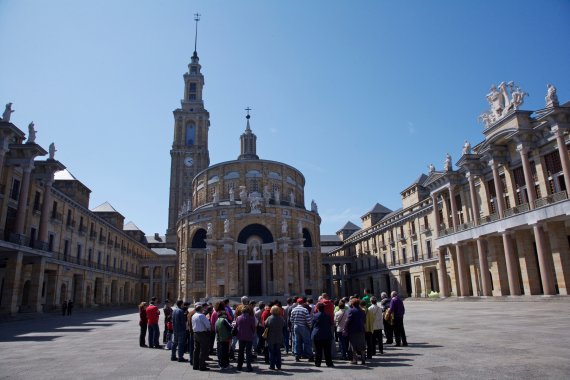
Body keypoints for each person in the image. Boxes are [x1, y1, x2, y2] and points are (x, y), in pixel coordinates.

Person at [344, 298, 366, 365]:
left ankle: (355, 360)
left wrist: (345, 328)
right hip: (361, 329)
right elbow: (364, 320)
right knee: (362, 345)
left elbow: (348, 321)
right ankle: (363, 359)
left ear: (352, 304)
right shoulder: (362, 311)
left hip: (353, 330)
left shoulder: (351, 311)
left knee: (353, 346)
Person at [290, 298, 314, 362]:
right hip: (303, 326)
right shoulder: (304, 310)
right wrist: (310, 326)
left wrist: (294, 324)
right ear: (303, 303)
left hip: (296, 326)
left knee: (297, 341)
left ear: (297, 303)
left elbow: (291, 319)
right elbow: (308, 320)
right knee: (307, 342)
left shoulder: (293, 309)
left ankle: (297, 356)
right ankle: (310, 355)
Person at [312, 303, 334, 368]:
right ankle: (329, 363)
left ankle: (318, 363)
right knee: (327, 350)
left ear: (318, 308)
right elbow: (330, 324)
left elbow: (312, 325)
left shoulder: (315, 316)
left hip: (317, 334)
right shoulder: (328, 316)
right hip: (326, 334)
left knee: (318, 350)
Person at [236, 305, 256, 372]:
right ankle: (248, 366)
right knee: (248, 352)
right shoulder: (251, 318)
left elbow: (237, 326)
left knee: (240, 352)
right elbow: (253, 328)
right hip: (249, 337)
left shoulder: (238, 318)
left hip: (241, 336)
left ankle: (239, 366)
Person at [192, 303, 211, 371]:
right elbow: (208, 325)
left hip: (195, 333)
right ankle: (202, 366)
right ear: (200, 309)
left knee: (196, 350)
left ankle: (195, 365)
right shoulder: (202, 316)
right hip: (202, 334)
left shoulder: (194, 315)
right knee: (203, 350)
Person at [265, 305, 285, 370]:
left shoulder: (269, 318)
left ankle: (272, 365)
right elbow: (283, 325)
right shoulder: (281, 318)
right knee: (278, 351)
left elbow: (265, 325)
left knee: (271, 351)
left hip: (271, 337)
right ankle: (279, 365)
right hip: (279, 336)